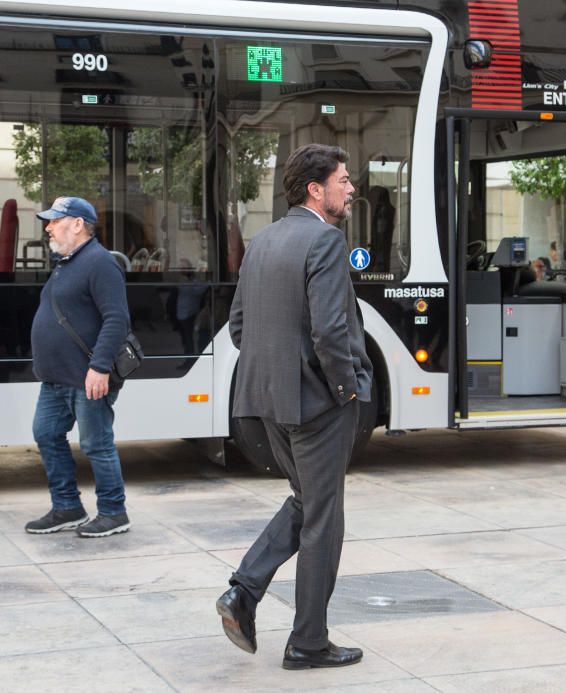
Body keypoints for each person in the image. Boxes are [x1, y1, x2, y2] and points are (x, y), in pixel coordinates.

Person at [216, 144, 372, 670]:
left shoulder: (263, 241)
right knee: (324, 520)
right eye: (344, 180)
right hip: (318, 405)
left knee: (307, 502)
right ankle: (307, 642)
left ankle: (244, 590)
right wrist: (347, 389)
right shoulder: (325, 241)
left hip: (266, 401)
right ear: (316, 188)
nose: (351, 189)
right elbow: (330, 331)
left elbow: (240, 327)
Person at [25, 197, 132, 538]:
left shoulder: (100, 263)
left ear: (77, 224)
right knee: (46, 433)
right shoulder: (67, 262)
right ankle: (67, 507)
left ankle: (114, 512)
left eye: (55, 220)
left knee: (96, 444)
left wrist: (99, 367)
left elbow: (117, 319)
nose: (48, 227)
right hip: (57, 378)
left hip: (87, 377)